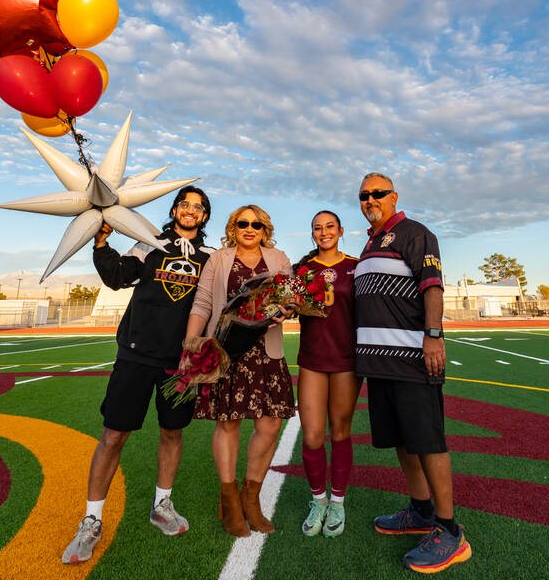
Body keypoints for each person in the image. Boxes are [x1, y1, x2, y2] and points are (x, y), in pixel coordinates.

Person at [61, 186, 216, 565]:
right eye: (185, 204)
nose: (190, 210)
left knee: (172, 431)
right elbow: (116, 277)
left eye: (198, 206)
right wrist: (100, 241)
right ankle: (91, 519)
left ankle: (162, 503)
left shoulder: (212, 258)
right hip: (136, 355)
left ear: (205, 216)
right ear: (175, 209)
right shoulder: (149, 244)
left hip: (180, 363)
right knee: (114, 434)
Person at [353, 173, 471, 573]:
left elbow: (432, 286)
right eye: (364, 195)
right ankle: (420, 510)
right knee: (402, 441)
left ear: (394, 196)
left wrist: (434, 336)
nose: (371, 199)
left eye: (378, 193)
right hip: (378, 362)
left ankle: (449, 529)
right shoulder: (370, 242)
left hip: (410, 358)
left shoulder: (414, 232)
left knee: (427, 441)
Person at [184, 204, 295, 537]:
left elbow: (292, 298)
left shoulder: (279, 258)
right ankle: (230, 500)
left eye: (257, 224)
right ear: (233, 227)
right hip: (228, 351)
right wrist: (191, 343)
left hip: (266, 350)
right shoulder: (218, 259)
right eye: (243, 223)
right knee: (228, 422)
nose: (250, 229)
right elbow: (203, 301)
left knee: (270, 424)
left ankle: (251, 496)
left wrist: (287, 310)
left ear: (265, 229)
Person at [291, 210, 359, 538]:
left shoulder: (356, 266)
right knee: (313, 435)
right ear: (312, 233)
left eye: (330, 226)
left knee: (341, 433)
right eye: (317, 228)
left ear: (341, 230)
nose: (324, 232)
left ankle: (338, 501)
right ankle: (318, 500)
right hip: (313, 360)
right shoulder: (302, 270)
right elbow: (286, 306)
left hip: (346, 361)